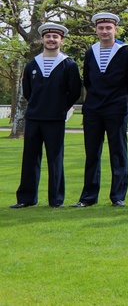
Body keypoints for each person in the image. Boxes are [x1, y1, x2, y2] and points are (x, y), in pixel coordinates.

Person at [11, 22, 82, 209]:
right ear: (42, 39)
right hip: (34, 118)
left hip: (55, 119)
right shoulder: (32, 64)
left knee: (55, 159)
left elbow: (74, 92)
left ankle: (56, 200)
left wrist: (60, 107)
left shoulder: (69, 64)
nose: (51, 40)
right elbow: (28, 92)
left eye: (55, 37)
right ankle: (26, 198)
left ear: (61, 40)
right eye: (48, 37)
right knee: (30, 158)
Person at [73, 12, 128, 208]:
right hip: (93, 110)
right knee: (92, 154)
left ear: (115, 29)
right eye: (101, 28)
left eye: (108, 27)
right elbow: (89, 81)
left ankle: (118, 196)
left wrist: (124, 106)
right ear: (96, 30)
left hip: (116, 109)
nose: (104, 31)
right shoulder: (90, 52)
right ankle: (88, 197)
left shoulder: (127, 51)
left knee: (118, 153)